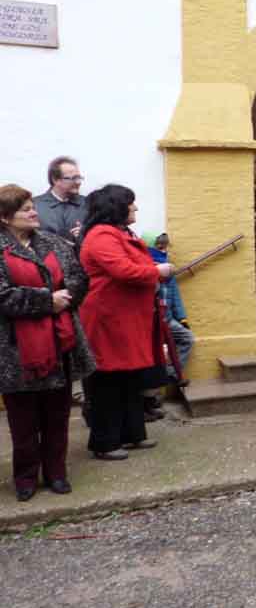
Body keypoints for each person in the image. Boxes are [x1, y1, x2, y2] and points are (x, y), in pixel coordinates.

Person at [0, 185, 95, 501]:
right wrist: (46, 301)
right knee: (23, 421)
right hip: (16, 349)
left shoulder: (54, 243)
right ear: (5, 217)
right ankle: (26, 478)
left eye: (32, 206)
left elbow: (80, 280)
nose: (33, 212)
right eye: (24, 209)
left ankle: (56, 473)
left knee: (57, 416)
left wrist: (65, 299)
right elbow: (2, 297)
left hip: (60, 343)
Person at [79, 185, 172, 459]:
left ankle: (132, 434)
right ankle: (105, 442)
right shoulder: (100, 236)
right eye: (131, 203)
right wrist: (156, 271)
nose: (135, 208)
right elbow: (122, 270)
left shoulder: (119, 233)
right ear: (116, 207)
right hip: (107, 319)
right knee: (107, 380)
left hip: (125, 318)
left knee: (129, 378)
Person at [148, 233, 195, 385]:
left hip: (167, 318)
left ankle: (171, 374)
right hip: (151, 321)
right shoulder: (145, 267)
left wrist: (182, 318)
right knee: (153, 353)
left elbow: (175, 295)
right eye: (160, 246)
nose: (163, 249)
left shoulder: (168, 267)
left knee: (187, 338)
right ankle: (152, 395)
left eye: (165, 246)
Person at [33, 156, 87, 244]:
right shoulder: (34, 206)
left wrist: (85, 234)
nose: (78, 182)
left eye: (79, 178)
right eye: (73, 178)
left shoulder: (88, 205)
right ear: (55, 180)